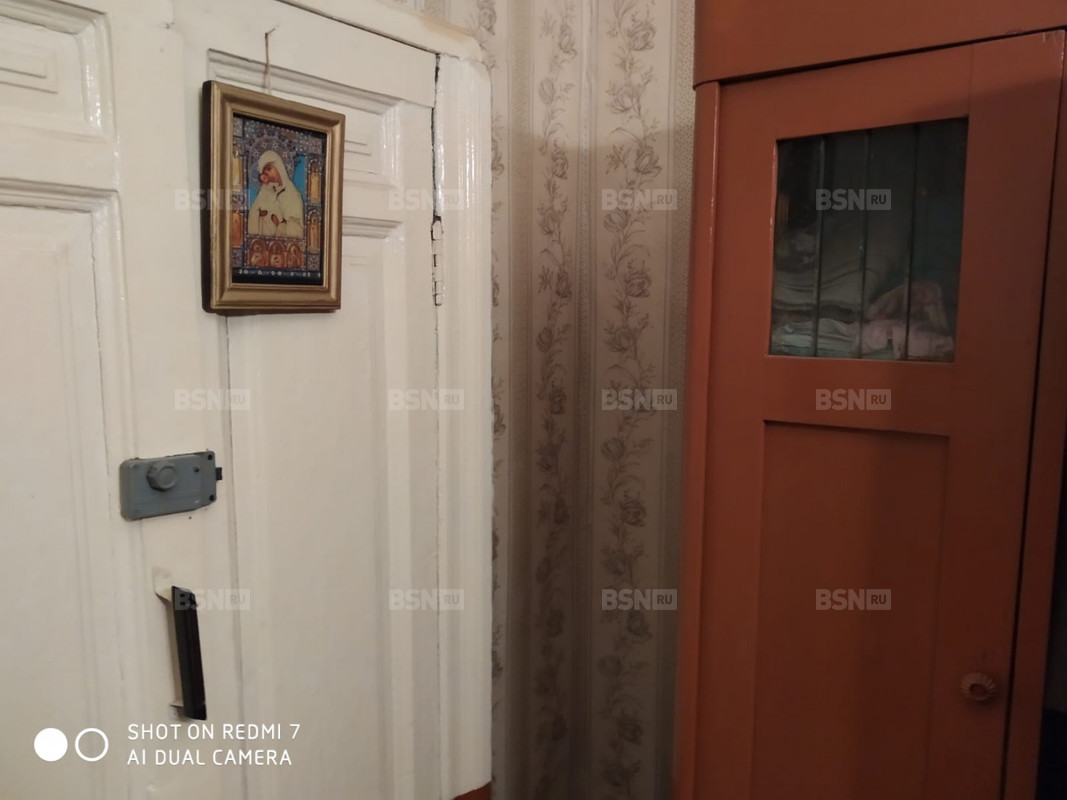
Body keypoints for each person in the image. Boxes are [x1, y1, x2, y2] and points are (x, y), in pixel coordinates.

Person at [247, 150, 305, 239]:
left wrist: (280, 224)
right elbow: (252, 217)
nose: (268, 175)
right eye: (265, 173)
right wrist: (260, 215)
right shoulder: (265, 191)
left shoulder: (293, 194)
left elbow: (299, 232)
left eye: (269, 169)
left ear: (279, 166)